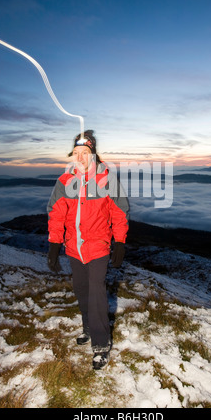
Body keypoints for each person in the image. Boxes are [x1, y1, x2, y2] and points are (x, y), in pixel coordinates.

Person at [47, 130, 129, 370]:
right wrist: (54, 245)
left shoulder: (106, 179)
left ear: (93, 155)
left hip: (99, 247)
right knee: (82, 291)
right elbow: (56, 214)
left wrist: (120, 242)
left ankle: (101, 345)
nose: (80, 157)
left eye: (85, 152)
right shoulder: (64, 181)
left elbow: (119, 212)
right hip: (73, 248)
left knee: (96, 292)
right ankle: (87, 325)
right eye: (76, 153)